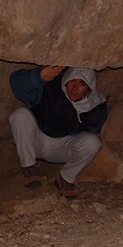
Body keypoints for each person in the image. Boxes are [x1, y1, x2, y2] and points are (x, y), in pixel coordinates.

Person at [9, 65, 108, 199]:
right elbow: (16, 82)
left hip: (62, 147)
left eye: (82, 84)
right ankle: (29, 167)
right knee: (20, 115)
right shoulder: (50, 89)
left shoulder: (96, 107)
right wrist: (38, 77)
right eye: (72, 81)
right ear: (66, 80)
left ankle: (66, 178)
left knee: (92, 142)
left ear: (89, 88)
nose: (74, 88)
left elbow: (91, 132)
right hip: (36, 140)